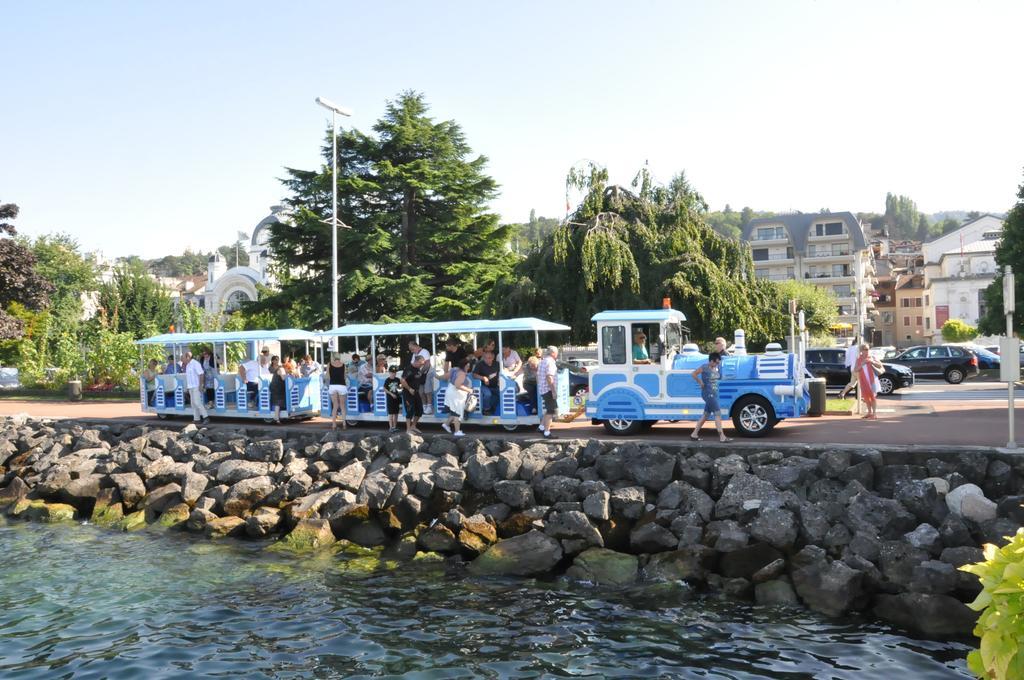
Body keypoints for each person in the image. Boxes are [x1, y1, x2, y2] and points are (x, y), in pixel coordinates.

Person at [690, 351, 731, 443]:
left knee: (706, 415)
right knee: (718, 413)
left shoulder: (715, 368)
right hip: (708, 394)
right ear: (711, 361)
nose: (717, 364)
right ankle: (722, 437)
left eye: (718, 363)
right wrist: (700, 382)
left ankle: (694, 434)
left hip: (713, 394)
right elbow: (693, 374)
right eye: (716, 362)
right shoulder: (705, 367)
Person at [442, 357, 473, 438]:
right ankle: (457, 431)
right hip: (456, 394)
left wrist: (436, 376)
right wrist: (469, 390)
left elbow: (445, 377)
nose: (469, 368)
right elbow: (457, 385)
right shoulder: (462, 373)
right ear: (465, 366)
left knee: (454, 410)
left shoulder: (454, 369)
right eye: (468, 366)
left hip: (451, 391)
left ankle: (446, 424)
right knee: (457, 413)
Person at [855, 343, 884, 420]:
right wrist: (862, 364)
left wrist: (872, 362)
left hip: (872, 381)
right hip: (863, 381)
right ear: (861, 350)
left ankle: (874, 413)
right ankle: (869, 412)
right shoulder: (859, 359)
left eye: (868, 349)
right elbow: (855, 369)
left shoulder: (872, 357)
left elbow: (880, 365)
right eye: (865, 349)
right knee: (866, 397)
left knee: (873, 396)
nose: (867, 351)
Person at [537, 345, 559, 439]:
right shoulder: (551, 362)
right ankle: (547, 432)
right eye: (557, 352)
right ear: (553, 353)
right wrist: (553, 391)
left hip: (543, 389)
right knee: (551, 411)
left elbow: (538, 376)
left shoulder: (543, 361)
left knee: (548, 409)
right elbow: (549, 377)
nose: (557, 354)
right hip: (548, 390)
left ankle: (541, 427)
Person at [183, 351, 209, 425]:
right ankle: (196, 419)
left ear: (188, 357)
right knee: (193, 404)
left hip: (196, 386)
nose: (182, 360)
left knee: (198, 403)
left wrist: (201, 385)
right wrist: (188, 387)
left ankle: (206, 417)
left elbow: (201, 374)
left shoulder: (195, 363)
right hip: (191, 386)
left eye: (183, 358)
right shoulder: (187, 365)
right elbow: (189, 377)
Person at [401, 355, 425, 435]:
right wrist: (409, 389)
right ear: (417, 361)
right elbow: (402, 380)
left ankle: (413, 426)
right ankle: (408, 429)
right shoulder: (409, 369)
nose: (422, 365)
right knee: (410, 410)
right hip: (408, 392)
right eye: (421, 363)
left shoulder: (418, 369)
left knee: (420, 410)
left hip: (416, 392)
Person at [472, 349, 501, 415]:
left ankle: (494, 407)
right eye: (485, 358)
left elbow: (502, 373)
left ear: (493, 358)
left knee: (501, 394)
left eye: (489, 358)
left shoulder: (497, 364)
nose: (487, 359)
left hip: (495, 386)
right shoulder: (479, 364)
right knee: (488, 394)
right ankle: (486, 409)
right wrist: (483, 378)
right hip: (483, 385)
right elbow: (474, 375)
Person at [408, 340, 432, 415]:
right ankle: (424, 406)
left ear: (416, 346)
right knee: (420, 391)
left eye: (412, 349)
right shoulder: (414, 354)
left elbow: (427, 364)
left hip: (427, 373)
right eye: (410, 350)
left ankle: (429, 406)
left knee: (427, 390)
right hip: (419, 374)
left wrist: (420, 372)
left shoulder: (425, 352)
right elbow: (412, 364)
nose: (412, 351)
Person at [327, 352, 347, 431]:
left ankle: (334, 425)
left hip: (333, 385)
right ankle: (344, 424)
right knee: (342, 406)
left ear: (333, 357)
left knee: (335, 406)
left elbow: (327, 376)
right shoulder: (343, 365)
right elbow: (345, 376)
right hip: (342, 385)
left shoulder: (329, 364)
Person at [383, 364, 402, 433]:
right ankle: (390, 427)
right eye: (392, 372)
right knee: (391, 414)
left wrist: (400, 388)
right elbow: (384, 389)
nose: (394, 374)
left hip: (396, 398)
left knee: (396, 413)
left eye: (395, 372)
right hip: (390, 399)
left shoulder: (397, 379)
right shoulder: (387, 380)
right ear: (389, 372)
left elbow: (400, 387)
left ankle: (395, 427)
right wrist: (391, 394)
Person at [269, 355, 287, 423]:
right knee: (278, 403)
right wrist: (288, 376)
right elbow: (283, 378)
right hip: (277, 387)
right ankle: (276, 418)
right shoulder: (281, 369)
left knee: (277, 403)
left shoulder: (278, 369)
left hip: (274, 387)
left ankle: (276, 418)